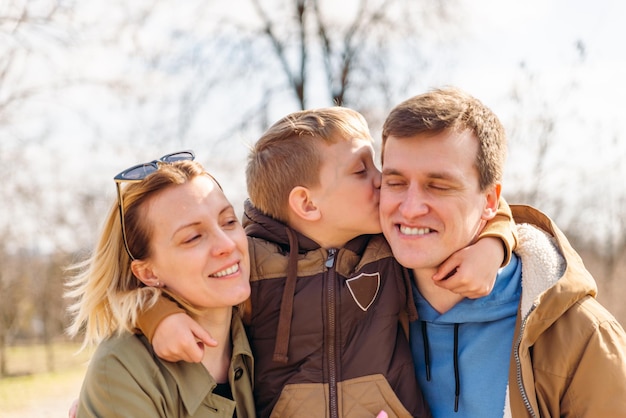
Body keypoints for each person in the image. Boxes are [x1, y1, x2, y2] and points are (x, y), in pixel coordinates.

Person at [134, 108, 517, 417]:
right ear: (307, 204)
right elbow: (166, 285)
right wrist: (159, 318)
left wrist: (493, 244)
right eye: (361, 170)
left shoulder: (391, 247)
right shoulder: (252, 262)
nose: (384, 181)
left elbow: (481, 202)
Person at [379, 87, 626, 417]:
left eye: (438, 186)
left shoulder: (581, 336)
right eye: (394, 182)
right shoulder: (352, 312)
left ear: (490, 202)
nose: (409, 209)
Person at [65, 151, 256, 417]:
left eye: (229, 221)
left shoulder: (268, 321)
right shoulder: (123, 368)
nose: (227, 244)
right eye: (193, 237)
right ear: (148, 272)